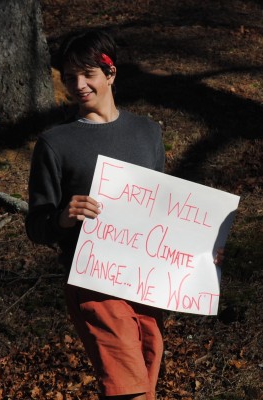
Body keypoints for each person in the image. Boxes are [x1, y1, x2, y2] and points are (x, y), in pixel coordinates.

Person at [26, 30, 166, 400]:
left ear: (111, 73)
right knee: (128, 390)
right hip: (94, 281)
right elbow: (36, 225)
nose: (77, 85)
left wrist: (199, 253)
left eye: (87, 74)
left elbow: (166, 212)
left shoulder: (147, 133)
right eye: (69, 77)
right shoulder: (56, 143)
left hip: (147, 280)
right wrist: (63, 217)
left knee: (145, 383)